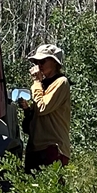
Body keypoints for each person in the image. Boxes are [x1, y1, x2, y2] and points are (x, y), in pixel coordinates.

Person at [17, 44, 70, 172]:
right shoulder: (42, 85)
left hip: (53, 148)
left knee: (53, 191)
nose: (38, 65)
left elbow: (42, 108)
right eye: (36, 62)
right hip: (36, 149)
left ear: (54, 62)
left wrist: (36, 82)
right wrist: (28, 110)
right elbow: (37, 120)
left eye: (42, 61)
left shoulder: (61, 82)